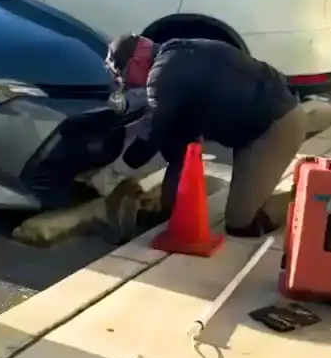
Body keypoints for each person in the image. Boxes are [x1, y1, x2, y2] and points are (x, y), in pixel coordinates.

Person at [89, 34, 309, 243]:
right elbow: (180, 142)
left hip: (274, 127)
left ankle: (309, 198)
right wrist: (170, 206)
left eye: (123, 75)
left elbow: (151, 135)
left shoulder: (161, 77)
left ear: (136, 61)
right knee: (177, 143)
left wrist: (115, 172)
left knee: (242, 223)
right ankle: (171, 204)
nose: (127, 84)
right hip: (259, 120)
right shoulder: (174, 55)